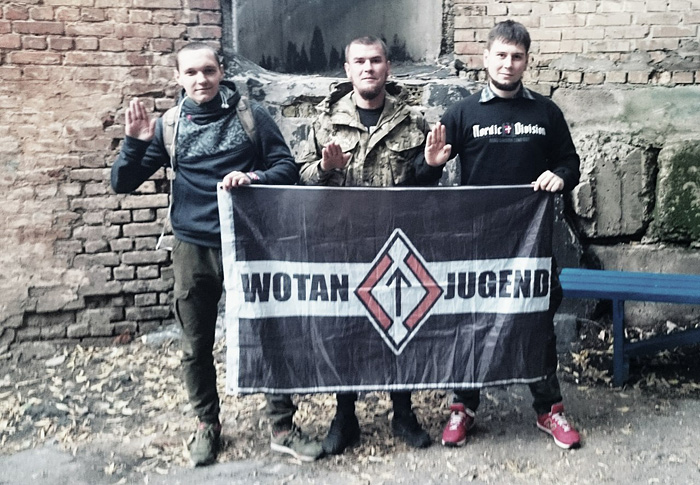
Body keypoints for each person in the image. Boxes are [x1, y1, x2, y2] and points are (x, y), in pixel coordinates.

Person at [111, 42, 323, 465]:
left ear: (221, 71)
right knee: (196, 344)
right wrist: (133, 144)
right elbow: (123, 183)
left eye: (208, 70)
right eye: (190, 73)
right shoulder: (170, 126)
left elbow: (287, 168)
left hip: (251, 243)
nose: (201, 79)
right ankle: (207, 425)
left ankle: (283, 427)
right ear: (178, 78)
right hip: (194, 247)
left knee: (269, 335)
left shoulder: (250, 116)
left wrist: (253, 177)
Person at [423, 20, 582, 450]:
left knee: (537, 321)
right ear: (486, 58)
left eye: (517, 56)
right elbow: (423, 175)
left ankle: (549, 409)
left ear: (527, 61)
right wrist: (433, 163)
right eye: (501, 55)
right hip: (476, 242)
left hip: (531, 243)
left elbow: (570, 163)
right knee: (470, 322)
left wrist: (560, 176)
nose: (508, 64)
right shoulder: (462, 113)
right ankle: (463, 406)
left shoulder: (546, 113)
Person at [298, 36, 434, 454]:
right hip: (344, 241)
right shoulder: (326, 121)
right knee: (345, 329)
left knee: (401, 327)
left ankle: (403, 412)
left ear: (388, 66)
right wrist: (324, 168)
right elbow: (300, 176)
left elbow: (425, 183)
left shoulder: (412, 121)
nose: (368, 68)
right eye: (359, 61)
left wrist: (431, 166)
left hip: (397, 243)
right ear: (347, 69)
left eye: (375, 60)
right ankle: (345, 416)